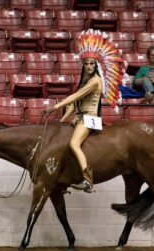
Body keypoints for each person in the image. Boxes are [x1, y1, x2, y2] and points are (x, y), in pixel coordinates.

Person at [43, 29, 125, 193]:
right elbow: (75, 104)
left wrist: (55, 107)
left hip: (90, 118)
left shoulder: (95, 81)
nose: (89, 66)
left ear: (96, 66)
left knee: (74, 143)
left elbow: (74, 97)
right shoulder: (86, 81)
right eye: (86, 63)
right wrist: (62, 121)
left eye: (91, 64)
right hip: (81, 117)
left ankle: (88, 180)